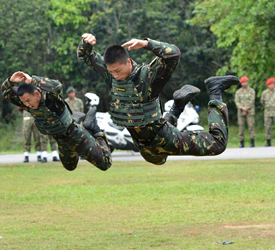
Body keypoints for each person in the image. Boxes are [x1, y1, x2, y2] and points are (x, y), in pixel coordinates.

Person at [77, 33, 240, 165]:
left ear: (128, 62)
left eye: (118, 70)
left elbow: (174, 54)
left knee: (218, 144)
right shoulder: (111, 74)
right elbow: (85, 55)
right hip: (143, 145)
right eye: (111, 72)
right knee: (156, 159)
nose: (115, 76)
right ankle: (177, 107)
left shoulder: (147, 76)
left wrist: (147, 43)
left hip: (164, 137)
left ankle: (215, 90)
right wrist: (86, 42)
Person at [1, 71, 112, 171]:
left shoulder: (50, 98)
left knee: (105, 163)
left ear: (37, 94)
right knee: (70, 167)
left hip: (76, 136)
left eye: (28, 100)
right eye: (24, 102)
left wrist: (32, 80)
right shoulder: (28, 104)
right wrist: (10, 80)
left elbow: (57, 85)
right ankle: (74, 119)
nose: (27, 104)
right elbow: (6, 92)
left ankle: (93, 128)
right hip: (61, 140)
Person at [234, 76, 256, 148]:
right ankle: (241, 143)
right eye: (242, 82)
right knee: (241, 127)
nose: (244, 83)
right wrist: (242, 108)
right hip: (240, 112)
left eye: (245, 82)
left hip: (250, 111)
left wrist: (246, 108)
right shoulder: (238, 92)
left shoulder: (252, 91)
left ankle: (252, 142)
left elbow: (252, 100)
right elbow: (237, 101)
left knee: (251, 126)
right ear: (241, 83)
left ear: (248, 82)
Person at [260, 78, 275, 147]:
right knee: (268, 127)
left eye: (272, 84)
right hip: (268, 112)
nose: (271, 85)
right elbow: (262, 102)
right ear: (268, 85)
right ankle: (268, 141)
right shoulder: (264, 93)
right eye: (270, 84)